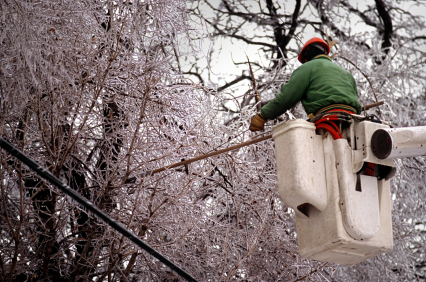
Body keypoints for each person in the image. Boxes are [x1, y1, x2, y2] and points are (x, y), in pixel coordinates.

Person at [249, 37, 362, 132]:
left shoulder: (307, 68)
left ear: (307, 54)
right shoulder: (346, 73)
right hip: (353, 121)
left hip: (328, 120)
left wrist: (262, 116)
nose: (305, 63)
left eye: (304, 60)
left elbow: (286, 98)